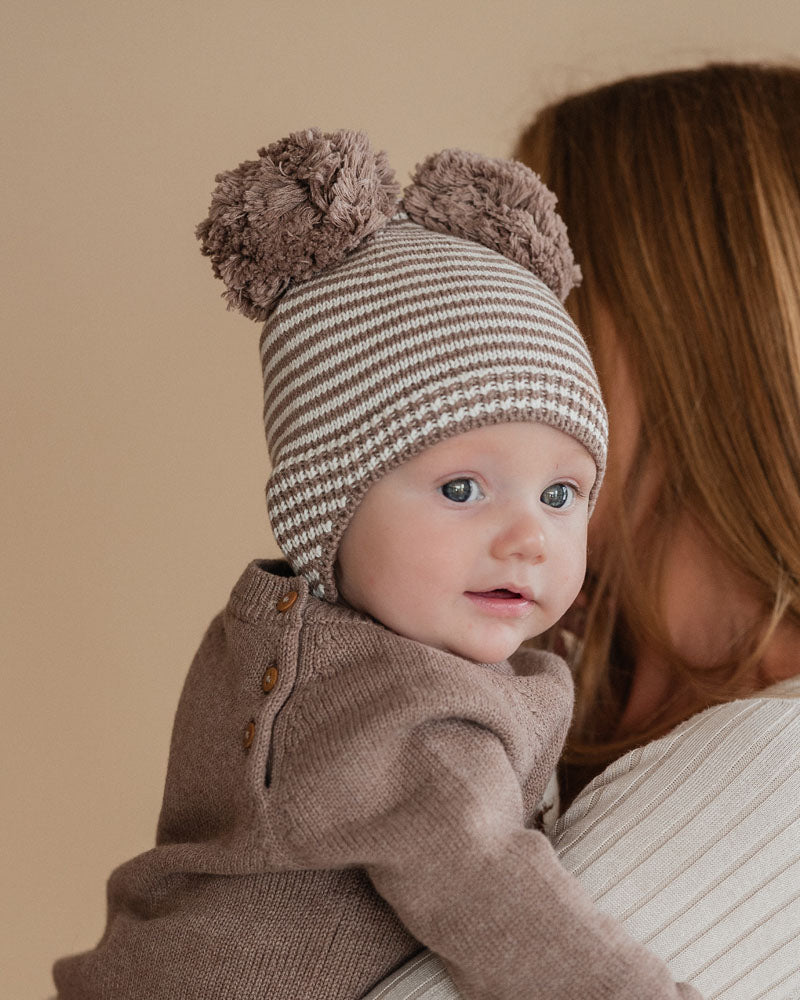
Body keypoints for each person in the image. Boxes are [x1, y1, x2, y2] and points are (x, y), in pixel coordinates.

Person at [51, 130, 702, 999]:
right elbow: (490, 893)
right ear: (330, 502)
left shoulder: (281, 633)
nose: (528, 539)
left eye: (561, 496)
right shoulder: (395, 707)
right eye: (463, 487)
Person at [366, 63, 800, 1000]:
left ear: (693, 344)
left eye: (543, 292)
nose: (498, 339)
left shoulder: (779, 775)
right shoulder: (528, 701)